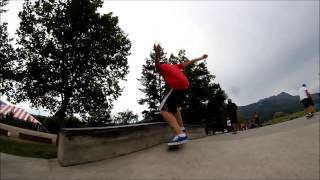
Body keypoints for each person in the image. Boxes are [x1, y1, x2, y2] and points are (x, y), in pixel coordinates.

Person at [153, 43, 207, 146]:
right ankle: (182, 128)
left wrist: (157, 53)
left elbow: (157, 63)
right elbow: (189, 62)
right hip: (185, 85)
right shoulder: (174, 66)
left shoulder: (161, 67)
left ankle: (180, 135)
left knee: (163, 110)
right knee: (174, 107)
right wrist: (201, 57)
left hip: (176, 85)